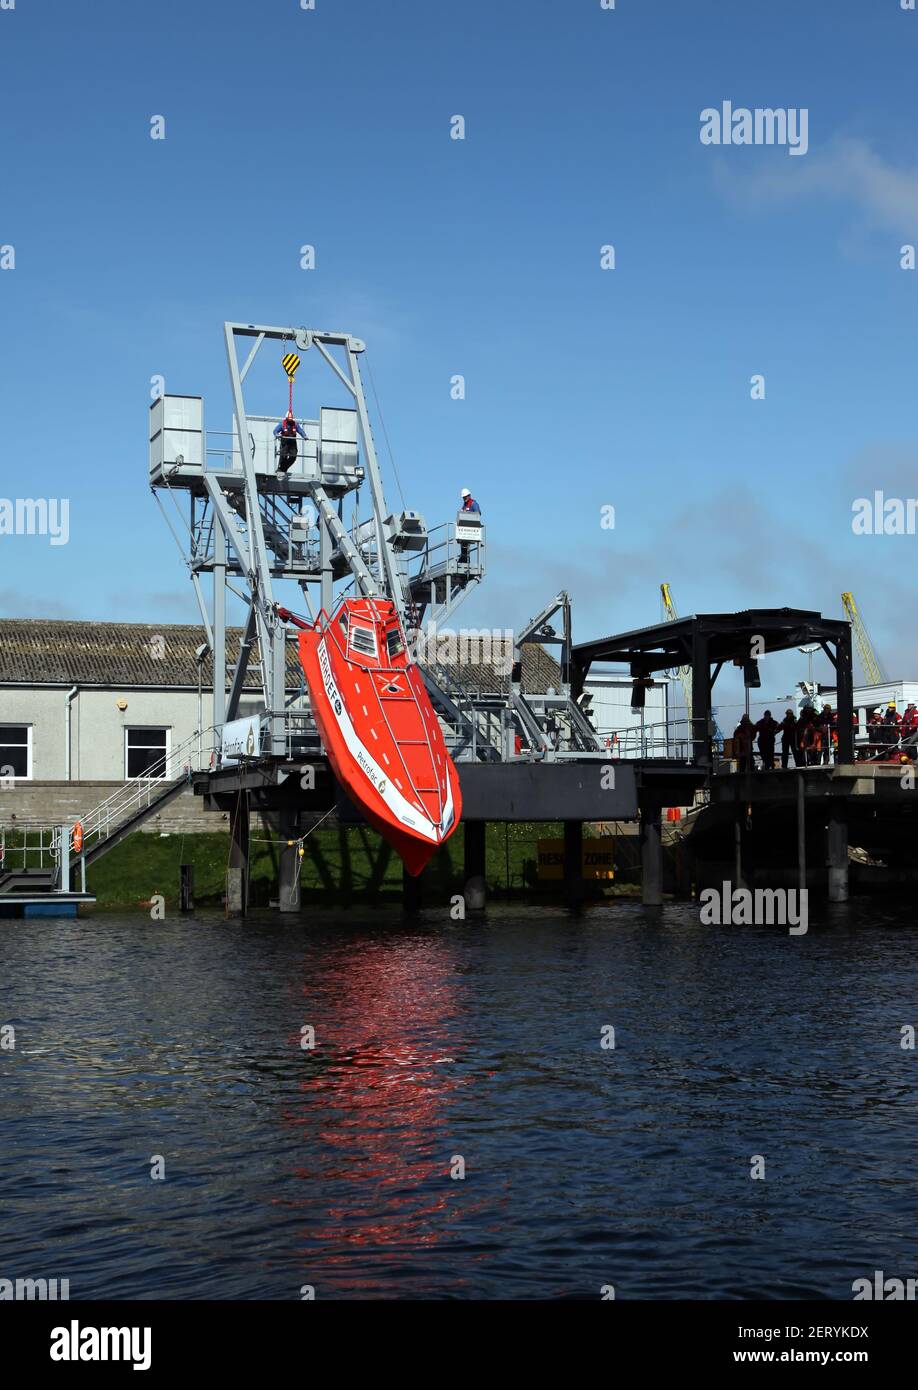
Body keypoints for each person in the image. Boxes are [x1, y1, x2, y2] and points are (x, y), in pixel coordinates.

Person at [273, 409, 309, 474]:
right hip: (285, 442)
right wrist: (277, 435)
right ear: (286, 418)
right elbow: (275, 431)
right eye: (289, 419)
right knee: (283, 456)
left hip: (292, 443)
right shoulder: (282, 424)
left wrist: (304, 436)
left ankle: (283, 468)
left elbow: (300, 430)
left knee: (293, 457)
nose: (290, 420)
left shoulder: (295, 424)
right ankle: (280, 469)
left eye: (291, 419)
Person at [458, 487, 481, 562]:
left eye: (465, 497)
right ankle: (463, 558)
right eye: (463, 497)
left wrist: (469, 514)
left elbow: (478, 514)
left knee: (466, 543)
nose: (464, 499)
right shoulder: (464, 505)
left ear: (469, 496)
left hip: (472, 529)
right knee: (463, 543)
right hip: (464, 529)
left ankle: (465, 559)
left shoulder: (473, 503)